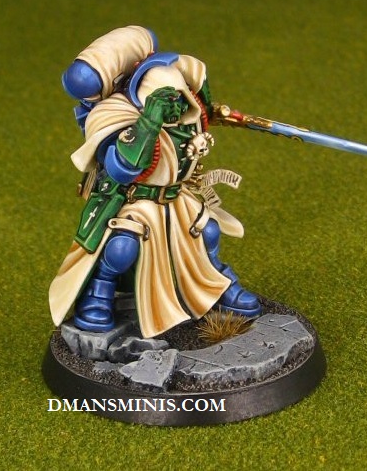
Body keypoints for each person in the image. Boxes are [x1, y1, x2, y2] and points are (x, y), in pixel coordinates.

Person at [50, 27, 261, 338]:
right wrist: (150, 120)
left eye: (181, 96)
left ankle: (218, 284)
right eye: (170, 99)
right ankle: (98, 293)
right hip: (138, 200)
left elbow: (199, 110)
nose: (178, 105)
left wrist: (212, 111)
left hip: (176, 197)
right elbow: (121, 168)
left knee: (208, 230)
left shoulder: (187, 102)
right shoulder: (113, 113)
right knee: (122, 246)